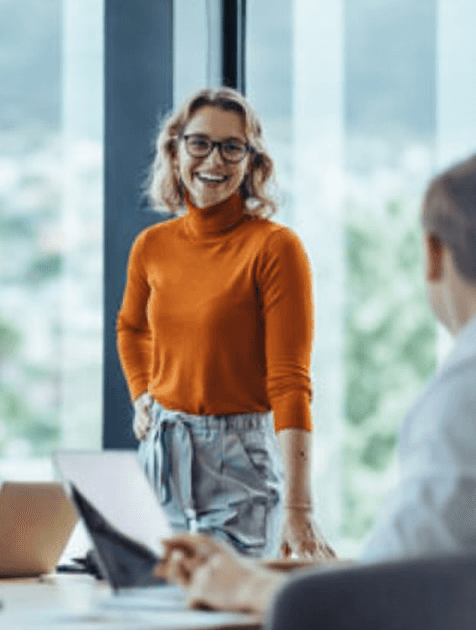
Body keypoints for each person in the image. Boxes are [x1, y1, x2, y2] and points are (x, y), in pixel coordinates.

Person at [157, 151, 476, 614]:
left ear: (433, 255)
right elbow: (418, 567)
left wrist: (242, 590)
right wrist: (253, 572)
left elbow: (382, 600)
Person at [117, 87, 333, 559]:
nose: (213, 159)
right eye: (199, 143)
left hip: (239, 460)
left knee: (230, 614)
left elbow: (290, 380)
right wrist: (142, 394)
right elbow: (132, 328)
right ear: (175, 151)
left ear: (251, 162)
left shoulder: (275, 248)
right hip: (163, 451)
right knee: (157, 609)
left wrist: (300, 508)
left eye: (232, 147)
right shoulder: (151, 245)